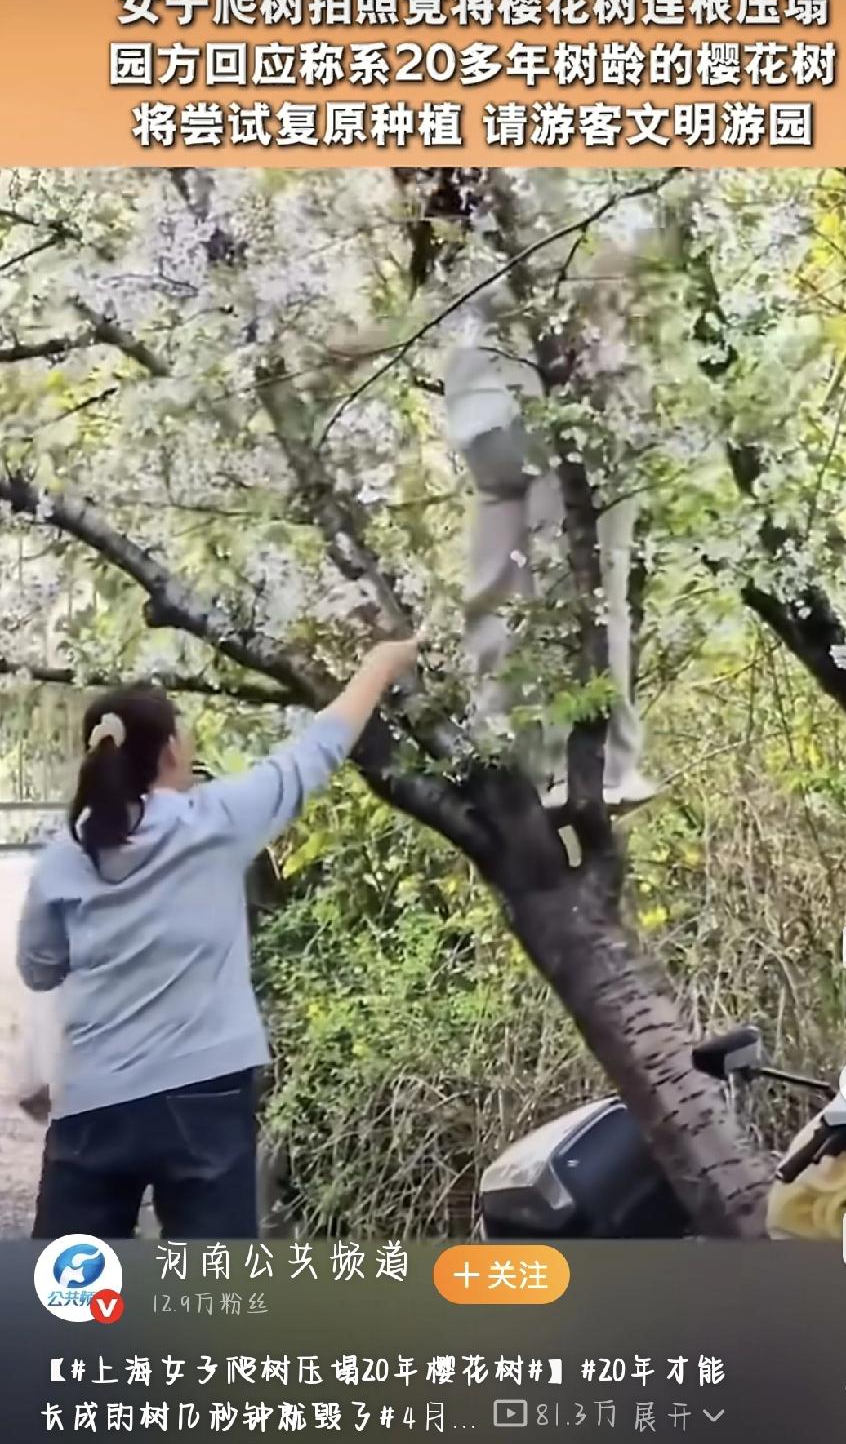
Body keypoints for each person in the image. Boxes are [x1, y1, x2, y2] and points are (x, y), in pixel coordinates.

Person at [16, 637, 418, 1241]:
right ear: (173, 751)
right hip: (204, 1092)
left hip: (94, 1097)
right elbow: (318, 750)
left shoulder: (64, 858)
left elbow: (39, 968)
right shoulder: (217, 821)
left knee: (66, 1294)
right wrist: (380, 666)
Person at [444, 341, 658, 812]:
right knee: (590, 586)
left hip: (479, 396)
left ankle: (503, 754)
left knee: (499, 582)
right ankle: (602, 767)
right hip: (565, 384)